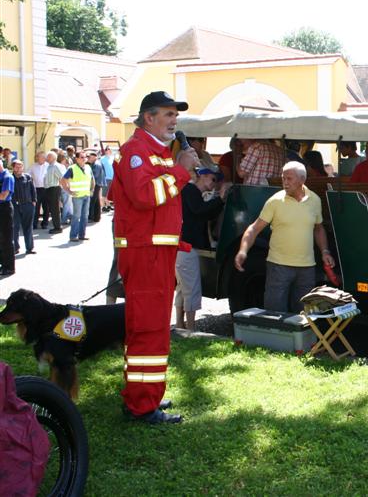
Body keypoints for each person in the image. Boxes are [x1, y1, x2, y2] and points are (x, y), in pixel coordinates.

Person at [109, 90, 193, 424]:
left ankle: (145, 395)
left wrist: (181, 172)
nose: (174, 121)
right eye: (168, 114)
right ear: (148, 117)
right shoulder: (136, 151)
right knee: (148, 329)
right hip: (146, 253)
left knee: (154, 327)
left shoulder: (156, 151)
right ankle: (142, 405)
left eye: (176, 115)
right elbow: (145, 196)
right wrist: (182, 172)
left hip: (156, 252)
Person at [235, 161, 335, 313]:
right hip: (278, 267)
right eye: (283, 178)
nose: (285, 183)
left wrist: (325, 251)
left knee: (305, 315)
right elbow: (254, 229)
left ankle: (302, 339)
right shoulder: (275, 201)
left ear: (302, 180)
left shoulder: (315, 200)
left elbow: (318, 228)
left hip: (307, 269)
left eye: (289, 179)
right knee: (274, 314)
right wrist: (243, 250)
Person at [175, 166, 227, 331]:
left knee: (183, 287)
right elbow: (200, 211)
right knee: (191, 287)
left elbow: (205, 213)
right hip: (186, 247)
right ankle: (190, 328)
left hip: (185, 246)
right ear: (202, 176)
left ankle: (180, 324)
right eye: (213, 179)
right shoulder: (190, 191)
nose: (214, 183)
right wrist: (220, 199)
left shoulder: (193, 193)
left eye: (216, 181)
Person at [61, 151, 94, 242]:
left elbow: (92, 180)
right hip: (77, 196)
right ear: (77, 159)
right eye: (82, 157)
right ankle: (73, 236)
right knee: (76, 216)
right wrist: (68, 190)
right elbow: (63, 180)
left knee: (85, 216)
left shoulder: (88, 167)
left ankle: (82, 235)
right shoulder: (72, 168)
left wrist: (91, 190)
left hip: (86, 195)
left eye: (85, 157)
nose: (84, 159)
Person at [11, 160, 36, 255]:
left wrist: (34, 201)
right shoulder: (10, 178)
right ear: (13, 168)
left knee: (28, 227)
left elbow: (33, 190)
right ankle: (15, 248)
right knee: (14, 227)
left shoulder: (27, 177)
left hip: (27, 205)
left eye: (21, 166)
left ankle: (29, 248)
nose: (19, 169)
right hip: (14, 206)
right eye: (17, 167)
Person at [0, 160, 15, 276]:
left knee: (6, 238)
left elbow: (4, 195)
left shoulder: (7, 177)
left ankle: (9, 267)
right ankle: (2, 264)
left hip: (4, 208)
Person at [43, 151, 63, 234]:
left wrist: (63, 187)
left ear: (53, 158)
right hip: (49, 189)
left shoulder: (55, 166)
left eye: (49, 156)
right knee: (52, 208)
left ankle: (58, 227)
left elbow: (62, 177)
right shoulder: (49, 166)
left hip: (54, 188)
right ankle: (56, 226)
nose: (47, 158)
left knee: (55, 209)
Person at [29, 151, 48, 228]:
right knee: (36, 207)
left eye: (44, 157)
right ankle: (34, 224)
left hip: (46, 189)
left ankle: (45, 223)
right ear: (37, 158)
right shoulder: (33, 166)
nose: (43, 158)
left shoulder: (48, 166)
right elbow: (27, 175)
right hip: (36, 189)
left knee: (46, 207)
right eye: (41, 157)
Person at [87, 151, 105, 223]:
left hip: (96, 184)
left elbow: (94, 176)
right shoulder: (95, 163)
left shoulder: (96, 164)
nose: (88, 158)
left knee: (93, 201)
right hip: (97, 183)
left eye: (89, 157)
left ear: (94, 157)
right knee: (96, 201)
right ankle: (96, 217)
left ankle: (91, 217)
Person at [56, 153, 72, 226]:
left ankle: (69, 216)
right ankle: (64, 219)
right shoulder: (61, 166)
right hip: (64, 187)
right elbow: (64, 178)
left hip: (60, 187)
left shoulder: (57, 166)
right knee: (66, 203)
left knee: (66, 203)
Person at [99, 147, 115, 211]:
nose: (108, 151)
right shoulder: (102, 159)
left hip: (112, 178)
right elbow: (100, 169)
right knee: (104, 193)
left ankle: (108, 205)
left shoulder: (112, 158)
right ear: (105, 151)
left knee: (108, 193)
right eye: (107, 150)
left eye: (109, 150)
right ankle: (103, 206)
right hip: (106, 178)